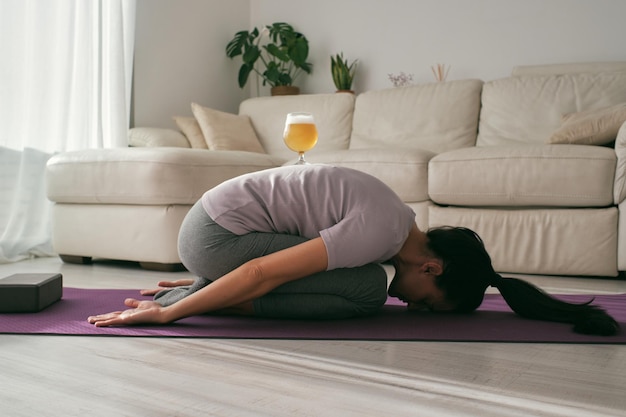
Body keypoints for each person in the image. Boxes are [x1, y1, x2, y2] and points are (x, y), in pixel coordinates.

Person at [87, 165, 619, 336]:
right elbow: (259, 270)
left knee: (363, 278)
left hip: (213, 227)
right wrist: (172, 313)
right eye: (428, 300)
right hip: (217, 240)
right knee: (367, 290)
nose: (412, 306)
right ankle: (207, 292)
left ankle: (203, 285)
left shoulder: (398, 226)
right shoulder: (380, 234)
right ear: (431, 266)